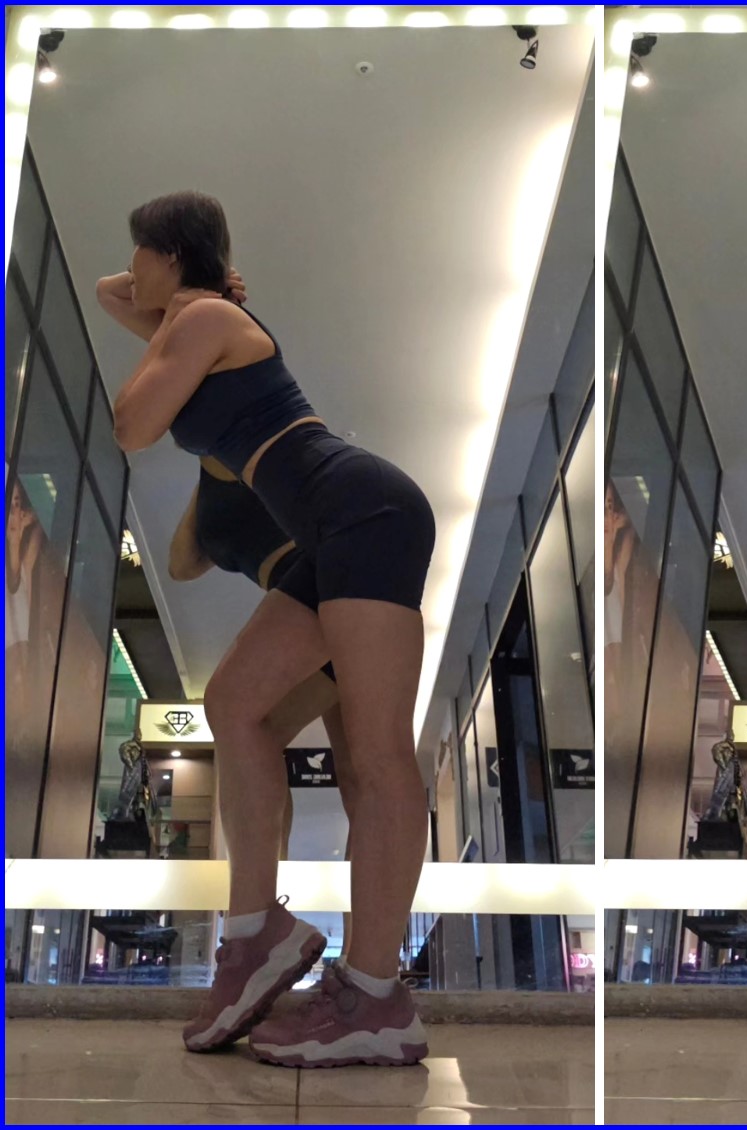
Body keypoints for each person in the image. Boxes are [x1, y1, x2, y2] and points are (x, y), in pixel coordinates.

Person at [100, 190, 434, 1067]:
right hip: (334, 529)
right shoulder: (196, 316)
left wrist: (190, 300)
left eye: (140, 253)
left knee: (376, 755)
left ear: (168, 254)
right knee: (236, 704)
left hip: (368, 512)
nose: (130, 271)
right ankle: (258, 935)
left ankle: (375, 997)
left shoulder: (206, 320)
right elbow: (110, 295)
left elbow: (131, 424)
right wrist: (179, 292)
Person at [167, 425, 356, 947]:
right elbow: (181, 564)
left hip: (325, 589)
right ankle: (349, 953)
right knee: (355, 776)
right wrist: (209, 456)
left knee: (253, 732)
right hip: (328, 599)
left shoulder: (276, 452)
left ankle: (263, 922)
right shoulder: (217, 481)